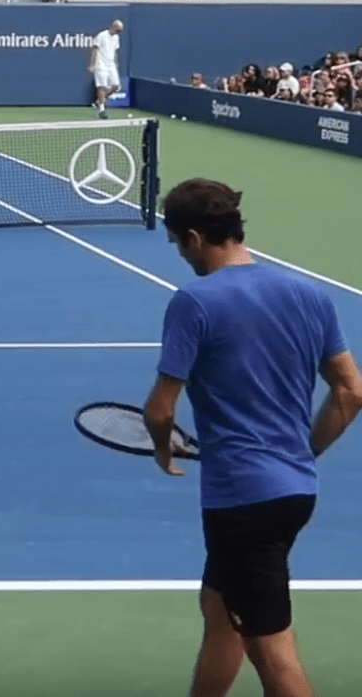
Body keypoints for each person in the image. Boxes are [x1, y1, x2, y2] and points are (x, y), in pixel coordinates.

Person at [142, 178, 362, 697]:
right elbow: (351, 392)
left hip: (242, 500)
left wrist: (160, 444)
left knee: (271, 650)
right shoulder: (309, 293)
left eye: (177, 242)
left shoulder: (194, 302)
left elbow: (160, 409)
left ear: (193, 236)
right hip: (292, 490)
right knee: (220, 611)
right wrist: (298, 454)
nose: (180, 254)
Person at [88, 19, 123, 119]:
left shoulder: (116, 38)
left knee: (116, 86)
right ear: (113, 27)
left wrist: (115, 64)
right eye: (118, 30)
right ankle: (101, 109)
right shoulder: (102, 35)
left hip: (111, 64)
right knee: (101, 86)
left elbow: (115, 52)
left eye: (120, 31)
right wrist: (92, 64)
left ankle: (100, 100)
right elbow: (94, 49)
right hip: (100, 64)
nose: (118, 32)